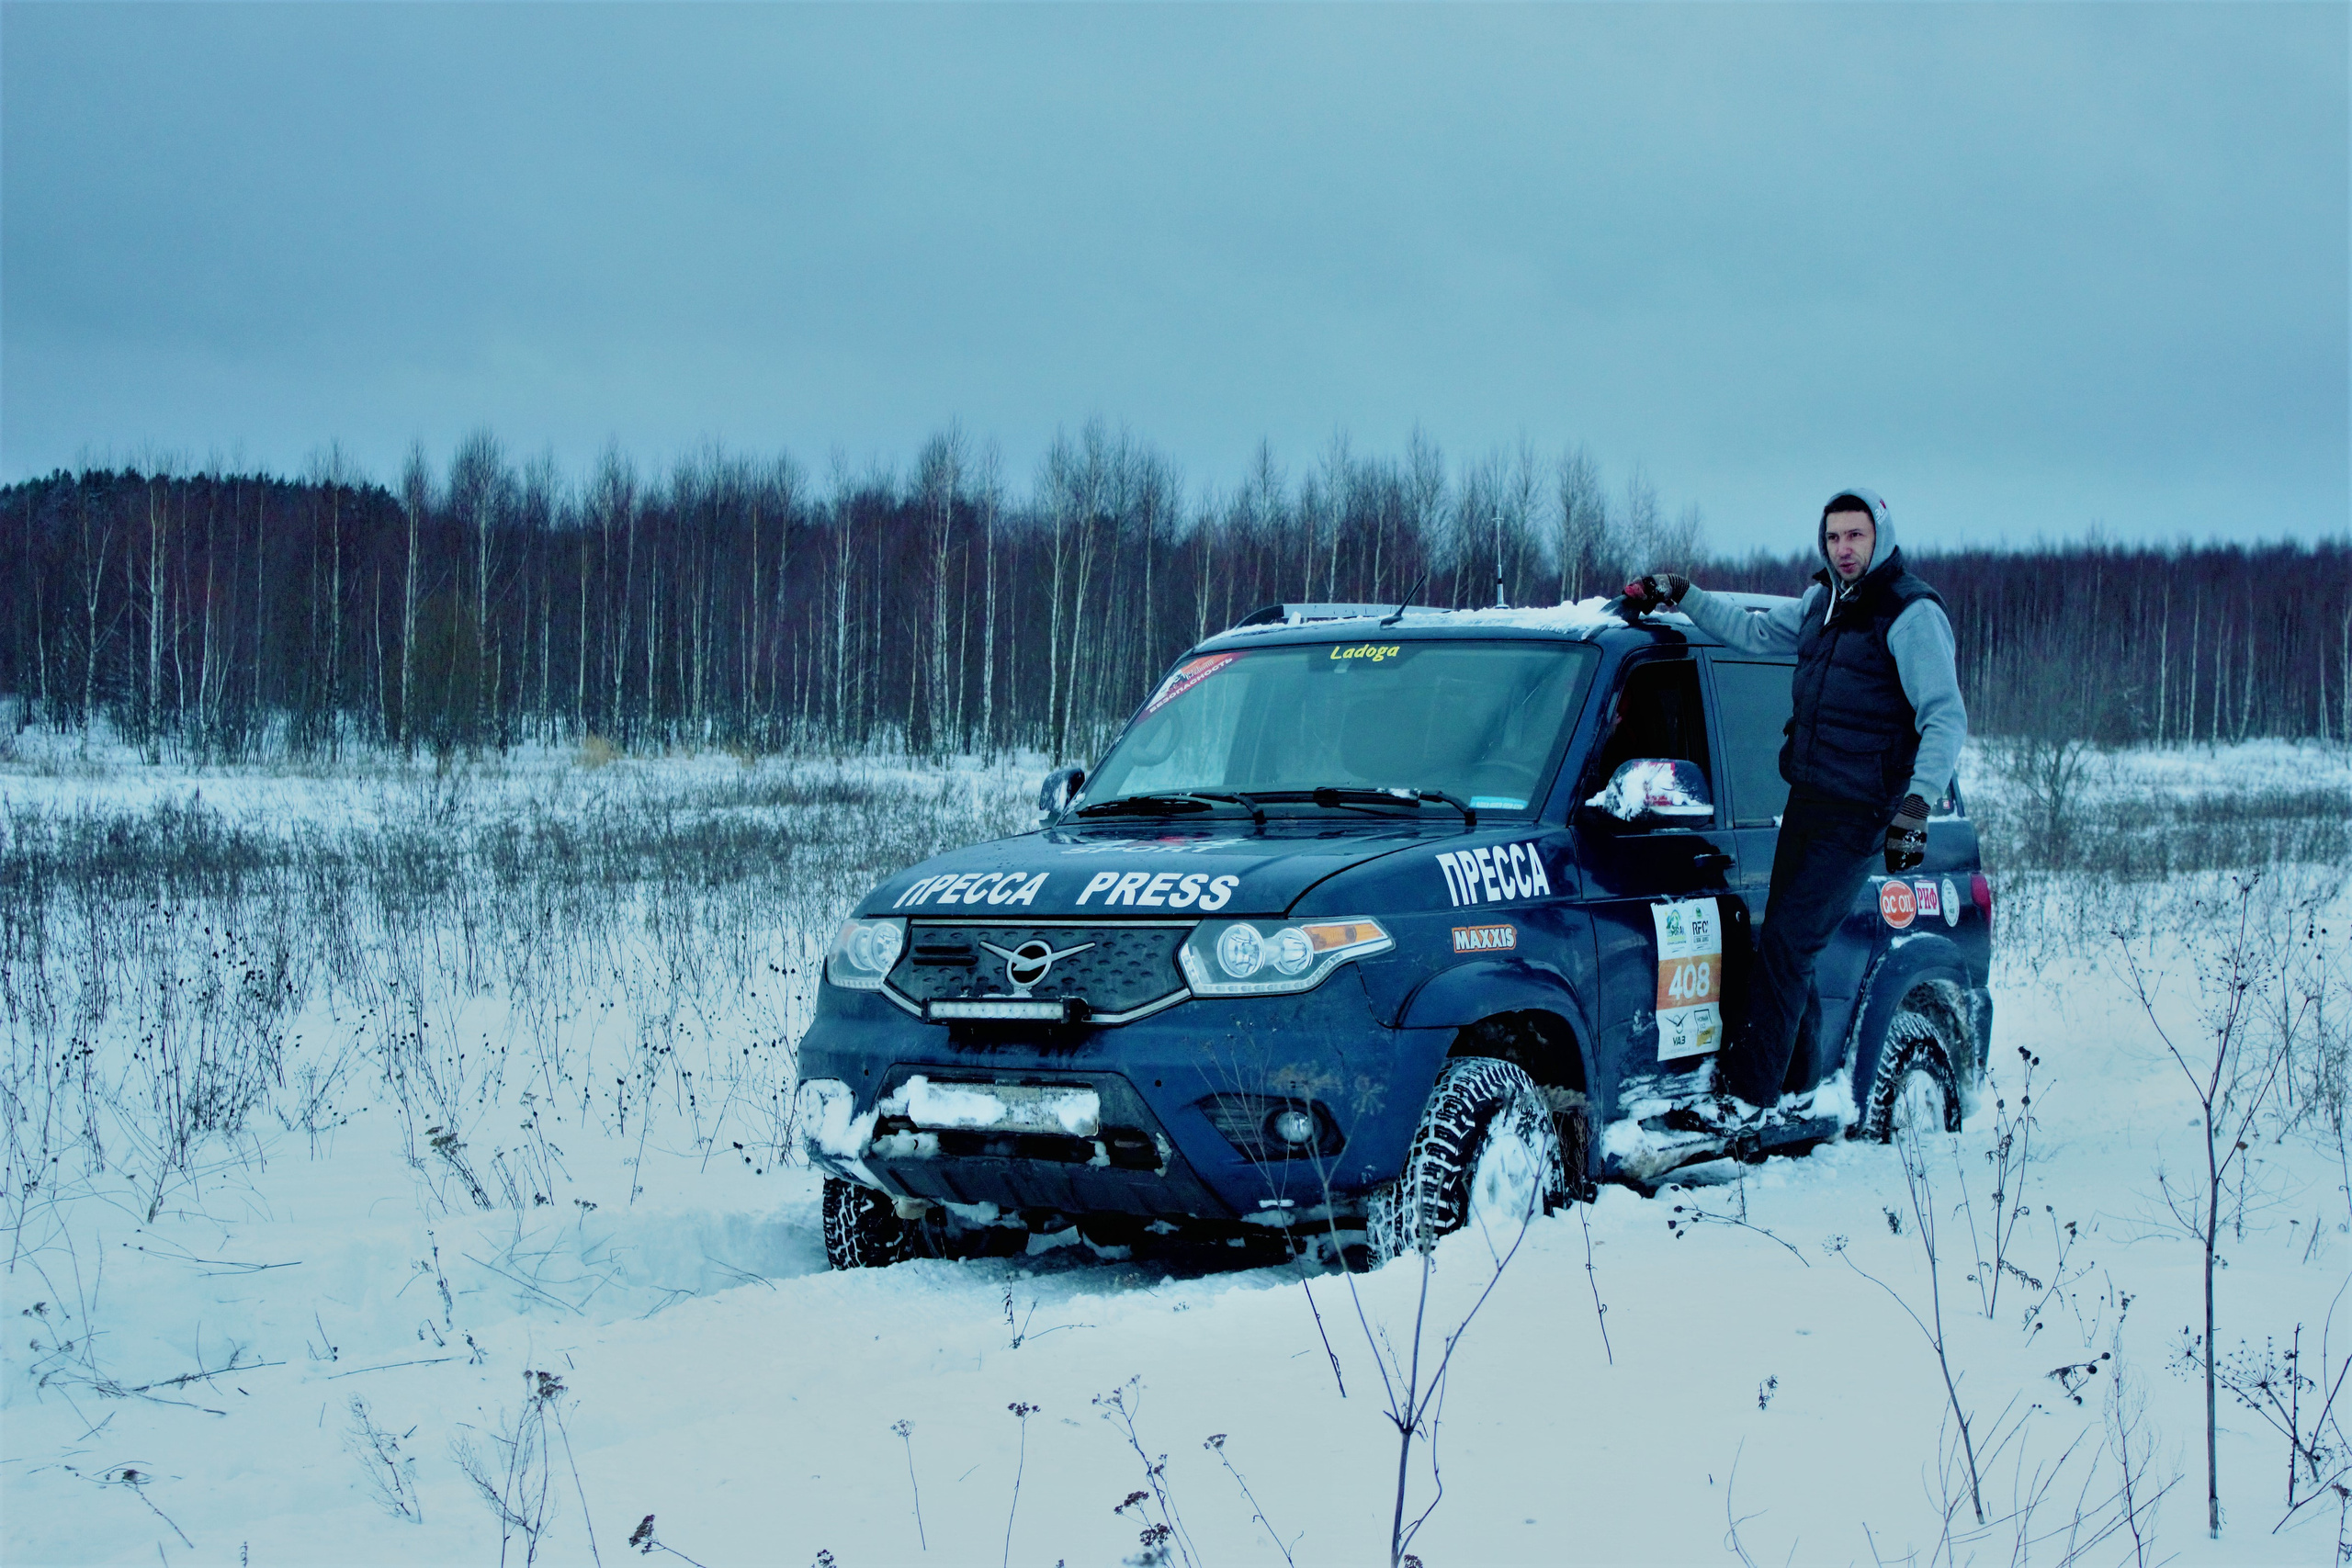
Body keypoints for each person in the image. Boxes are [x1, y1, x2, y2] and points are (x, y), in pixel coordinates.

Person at [1619, 487, 1966, 1111]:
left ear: (1879, 537)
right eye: (1834, 538)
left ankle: (1748, 1099)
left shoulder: (1910, 614)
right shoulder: (1819, 604)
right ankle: (1798, 1085)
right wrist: (1686, 592)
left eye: (1855, 536)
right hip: (1808, 801)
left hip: (1863, 813)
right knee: (1782, 942)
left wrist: (1916, 807)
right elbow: (1751, 634)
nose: (1844, 548)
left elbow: (1946, 718)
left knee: (1786, 945)